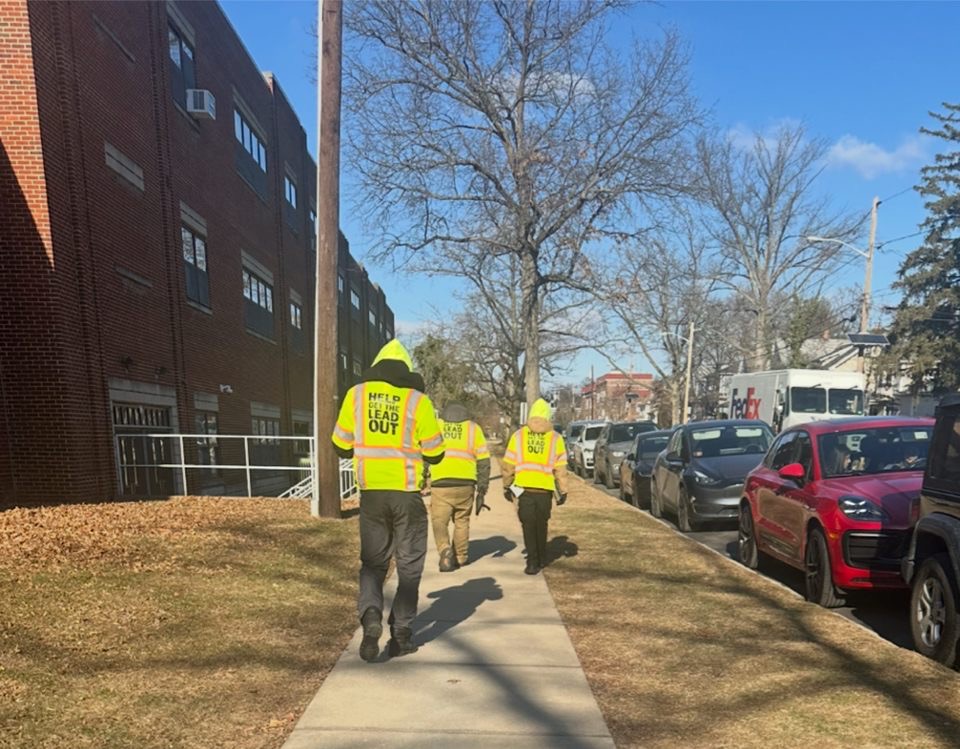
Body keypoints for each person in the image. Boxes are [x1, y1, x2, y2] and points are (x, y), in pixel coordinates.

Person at [331, 339, 445, 662]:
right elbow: (436, 453)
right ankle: (402, 633)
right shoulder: (417, 400)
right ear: (406, 370)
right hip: (406, 494)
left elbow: (339, 444)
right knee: (409, 566)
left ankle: (370, 618)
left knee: (373, 563)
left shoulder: (357, 395)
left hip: (371, 496)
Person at [501, 398, 569, 575]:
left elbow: (508, 463)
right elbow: (561, 467)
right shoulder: (555, 438)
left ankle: (532, 562)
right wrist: (563, 489)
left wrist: (507, 485)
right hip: (544, 489)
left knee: (528, 525)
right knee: (542, 524)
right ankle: (541, 557)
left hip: (524, 488)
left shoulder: (519, 435)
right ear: (548, 416)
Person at [428, 401, 491, 572]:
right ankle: (461, 557)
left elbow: (425, 452)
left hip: (441, 482)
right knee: (462, 520)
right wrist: (483, 487)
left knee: (439, 521)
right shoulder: (473, 429)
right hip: (466, 482)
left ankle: (445, 550)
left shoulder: (437, 426)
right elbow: (484, 460)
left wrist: (422, 477)